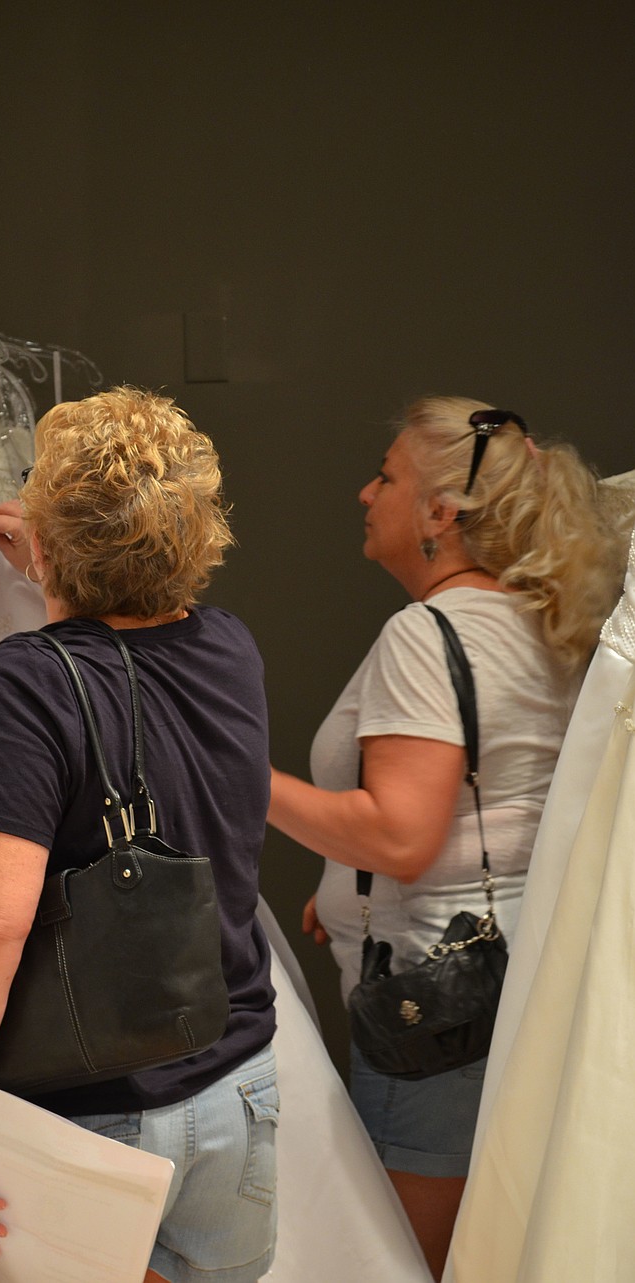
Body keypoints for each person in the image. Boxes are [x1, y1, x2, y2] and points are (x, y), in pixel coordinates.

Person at [0, 387, 278, 1283]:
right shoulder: (228, 644)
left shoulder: (31, 680)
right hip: (239, 1089)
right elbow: (128, 666)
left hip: (94, 1116)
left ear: (55, 529)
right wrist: (56, 574)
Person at [267, 396, 623, 1281]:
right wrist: (342, 892)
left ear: (438, 512)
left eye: (385, 476)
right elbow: (506, 807)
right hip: (515, 979)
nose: (364, 492)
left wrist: (237, 779)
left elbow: (401, 833)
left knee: (407, 1261)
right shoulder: (548, 621)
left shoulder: (426, 635)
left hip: (435, 1007)